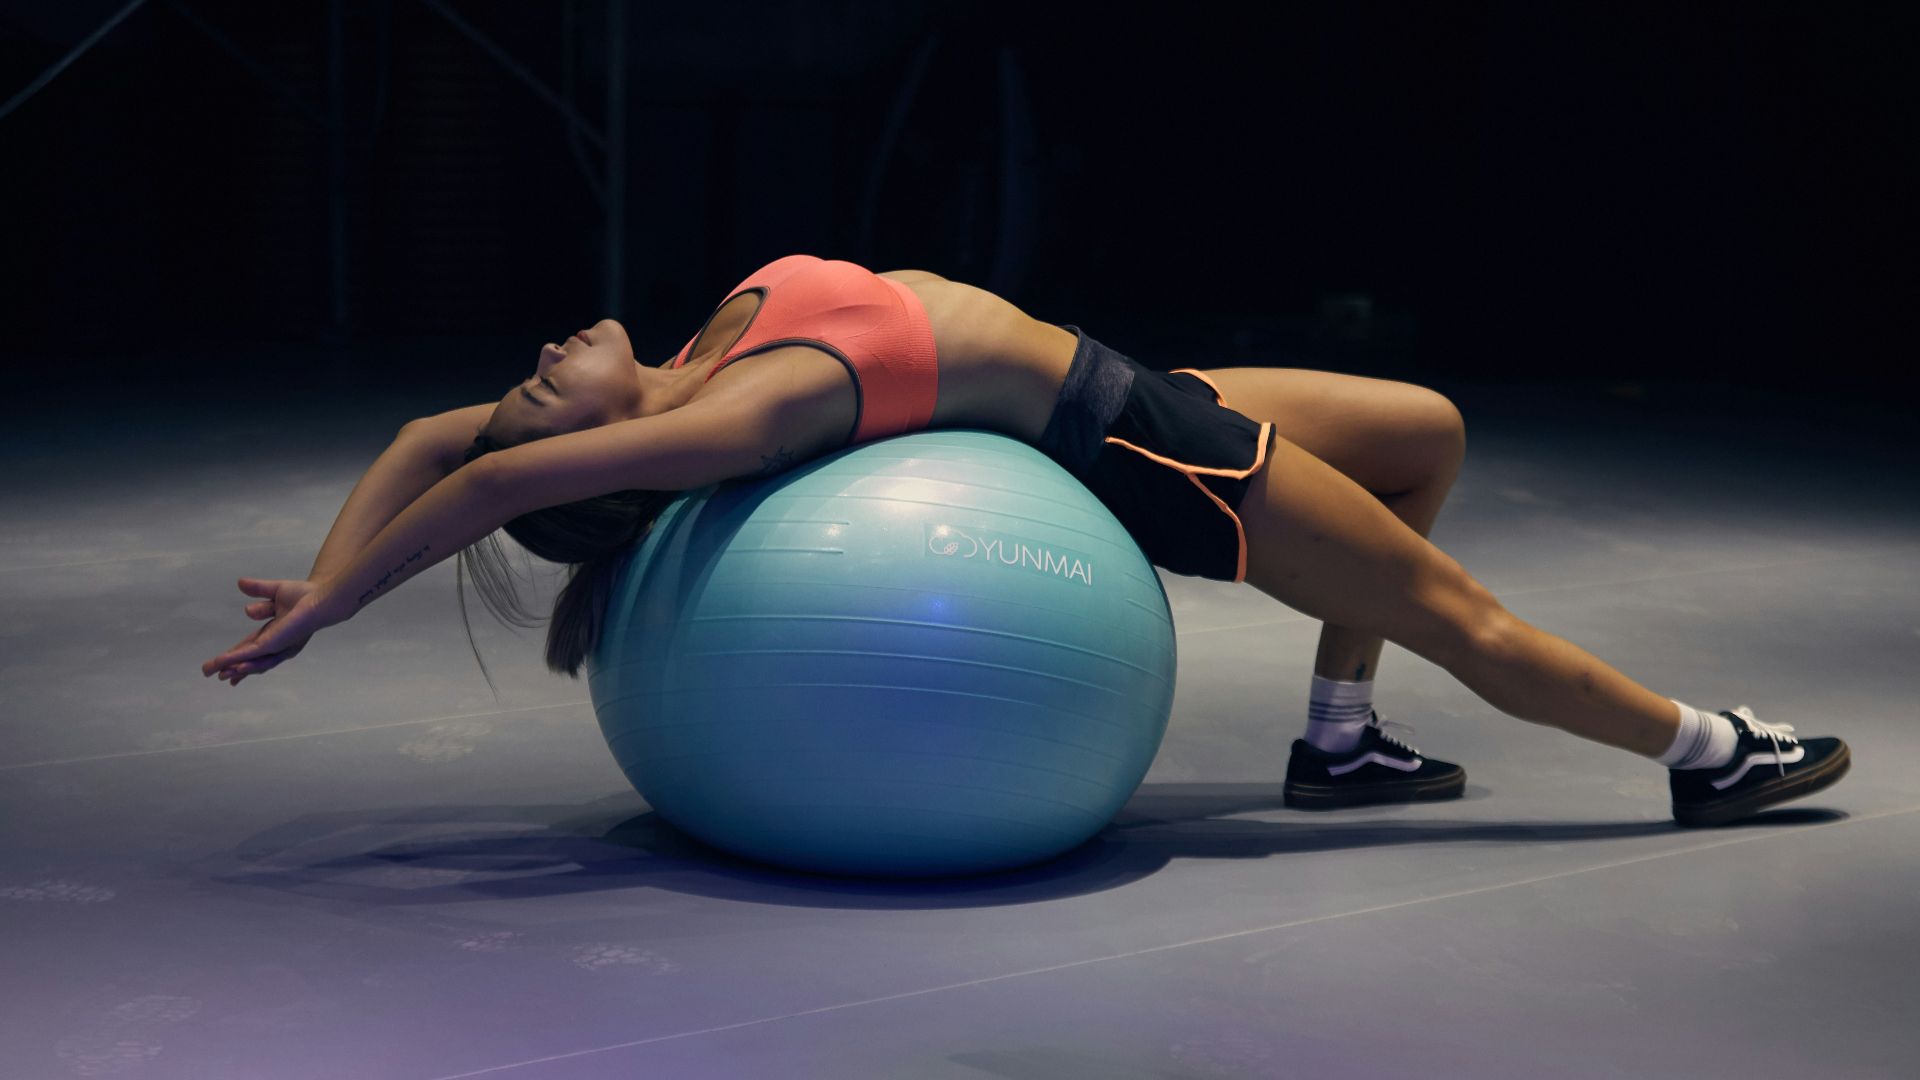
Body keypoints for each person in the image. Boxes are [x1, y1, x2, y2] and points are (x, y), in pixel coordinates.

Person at [200, 253, 1849, 828]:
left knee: (1427, 430)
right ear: (599, 454)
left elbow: (434, 443)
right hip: (1137, 445)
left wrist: (331, 555)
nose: (537, 359)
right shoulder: (714, 421)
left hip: (1119, 380)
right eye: (537, 392)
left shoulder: (695, 359)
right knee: (1458, 612)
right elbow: (477, 484)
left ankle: (1339, 748)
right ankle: (1704, 748)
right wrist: (336, 609)